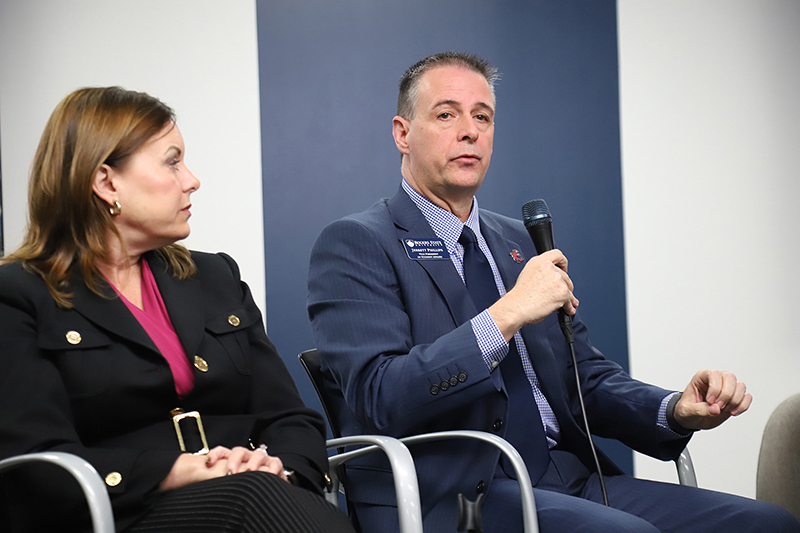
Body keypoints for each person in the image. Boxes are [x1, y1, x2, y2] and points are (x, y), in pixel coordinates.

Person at [307, 52, 800, 532]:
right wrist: (507, 314)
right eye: (446, 114)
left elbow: (582, 378)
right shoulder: (359, 242)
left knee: (769, 522)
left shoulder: (519, 243)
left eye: (483, 116)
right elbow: (381, 393)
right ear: (402, 134)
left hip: (572, 478)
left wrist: (674, 409)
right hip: (459, 491)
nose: (469, 131)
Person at [0, 87, 356, 533]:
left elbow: (289, 418)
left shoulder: (215, 276)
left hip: (256, 500)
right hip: (119, 515)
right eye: (172, 162)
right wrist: (180, 470)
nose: (191, 179)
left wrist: (275, 465)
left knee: (261, 494)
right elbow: (38, 462)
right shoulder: (18, 295)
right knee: (252, 497)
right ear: (107, 182)